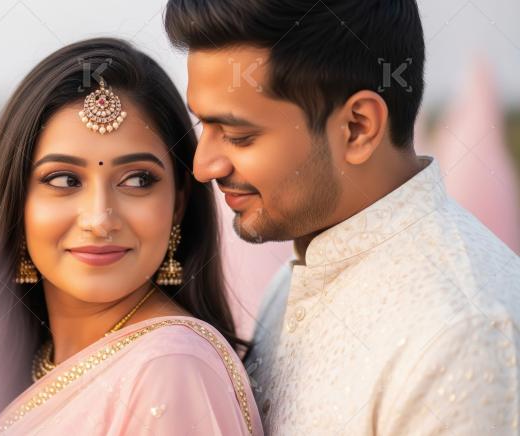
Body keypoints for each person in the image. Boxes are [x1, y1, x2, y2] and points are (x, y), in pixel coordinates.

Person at [164, 0, 520, 434]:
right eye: (204, 127)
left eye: (239, 135)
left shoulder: (463, 336)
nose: (203, 167)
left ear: (357, 127)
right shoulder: (299, 273)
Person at [0, 38, 264, 436]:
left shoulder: (169, 367)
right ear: (17, 203)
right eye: (64, 180)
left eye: (137, 180)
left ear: (178, 203)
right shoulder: (19, 361)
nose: (99, 219)